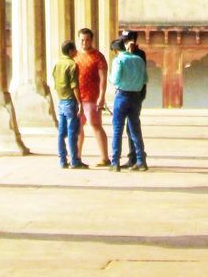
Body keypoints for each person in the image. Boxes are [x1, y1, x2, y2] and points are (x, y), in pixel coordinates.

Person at [108, 32, 148, 172]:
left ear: (115, 50)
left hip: (122, 96)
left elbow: (115, 80)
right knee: (135, 130)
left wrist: (112, 79)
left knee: (118, 130)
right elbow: (145, 80)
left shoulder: (118, 60)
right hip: (135, 97)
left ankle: (115, 163)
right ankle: (141, 161)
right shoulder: (139, 59)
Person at [74, 28, 110, 166]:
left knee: (96, 125)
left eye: (87, 39)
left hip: (92, 97)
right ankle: (76, 157)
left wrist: (101, 96)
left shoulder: (98, 56)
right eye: (82, 40)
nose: (84, 42)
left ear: (91, 40)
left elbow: (103, 78)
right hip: (78, 98)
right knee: (78, 127)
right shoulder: (75, 56)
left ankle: (105, 157)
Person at [51, 39, 87, 169]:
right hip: (71, 101)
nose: (76, 51)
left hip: (61, 101)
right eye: (74, 49)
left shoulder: (57, 63)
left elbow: (55, 81)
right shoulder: (72, 64)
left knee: (61, 132)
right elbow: (74, 86)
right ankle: (75, 161)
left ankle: (62, 160)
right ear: (71, 51)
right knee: (73, 132)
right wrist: (80, 103)